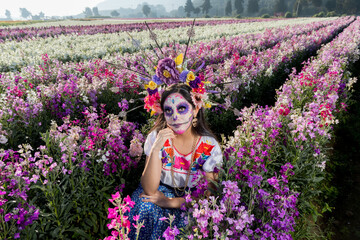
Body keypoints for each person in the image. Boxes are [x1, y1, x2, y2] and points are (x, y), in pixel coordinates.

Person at [126, 83, 223, 239]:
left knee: (184, 226)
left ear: (196, 109)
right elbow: (150, 189)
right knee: (146, 208)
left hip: (191, 200)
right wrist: (156, 147)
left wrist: (170, 202)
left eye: (182, 108)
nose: (175, 116)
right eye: (168, 111)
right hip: (159, 190)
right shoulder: (157, 137)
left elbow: (207, 197)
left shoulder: (209, 146)